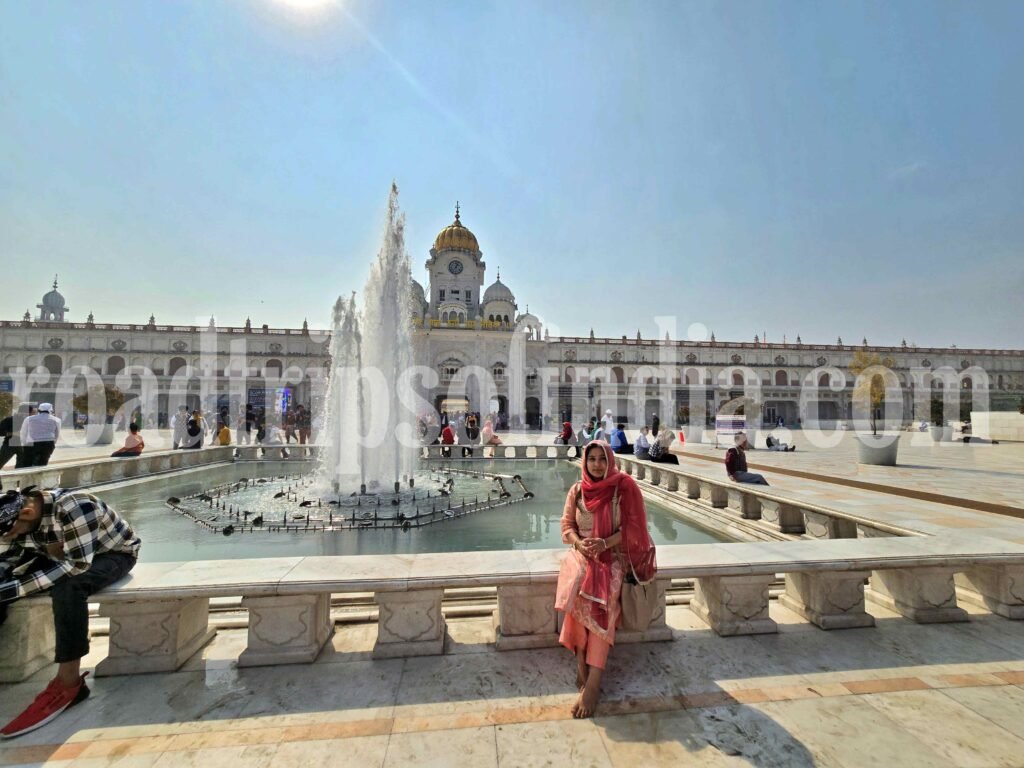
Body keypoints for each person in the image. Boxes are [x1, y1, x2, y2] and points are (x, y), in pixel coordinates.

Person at [0, 486, 141, 738]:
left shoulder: (74, 506)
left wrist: (12, 590)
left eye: (14, 531)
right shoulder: (14, 512)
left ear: (28, 512)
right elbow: (9, 558)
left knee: (68, 588)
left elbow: (76, 566)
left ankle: (69, 683)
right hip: (56, 552)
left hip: (108, 554)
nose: (11, 536)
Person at [556, 441, 656, 719]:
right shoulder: (577, 491)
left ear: (610, 461)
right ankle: (580, 663)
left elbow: (634, 530)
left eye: (602, 459)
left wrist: (605, 543)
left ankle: (594, 680)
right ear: (585, 462)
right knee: (577, 585)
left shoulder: (620, 490)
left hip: (610, 558)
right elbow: (566, 527)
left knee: (603, 606)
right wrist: (579, 544)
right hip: (581, 554)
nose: (597, 464)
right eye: (592, 459)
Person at [20, 403, 61, 467]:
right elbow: (57, 434)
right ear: (51, 411)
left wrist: (24, 443)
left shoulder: (28, 419)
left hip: (31, 443)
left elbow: (23, 432)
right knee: (42, 463)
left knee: (27, 463)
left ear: (39, 410)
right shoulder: (57, 420)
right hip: (48, 443)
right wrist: (53, 442)